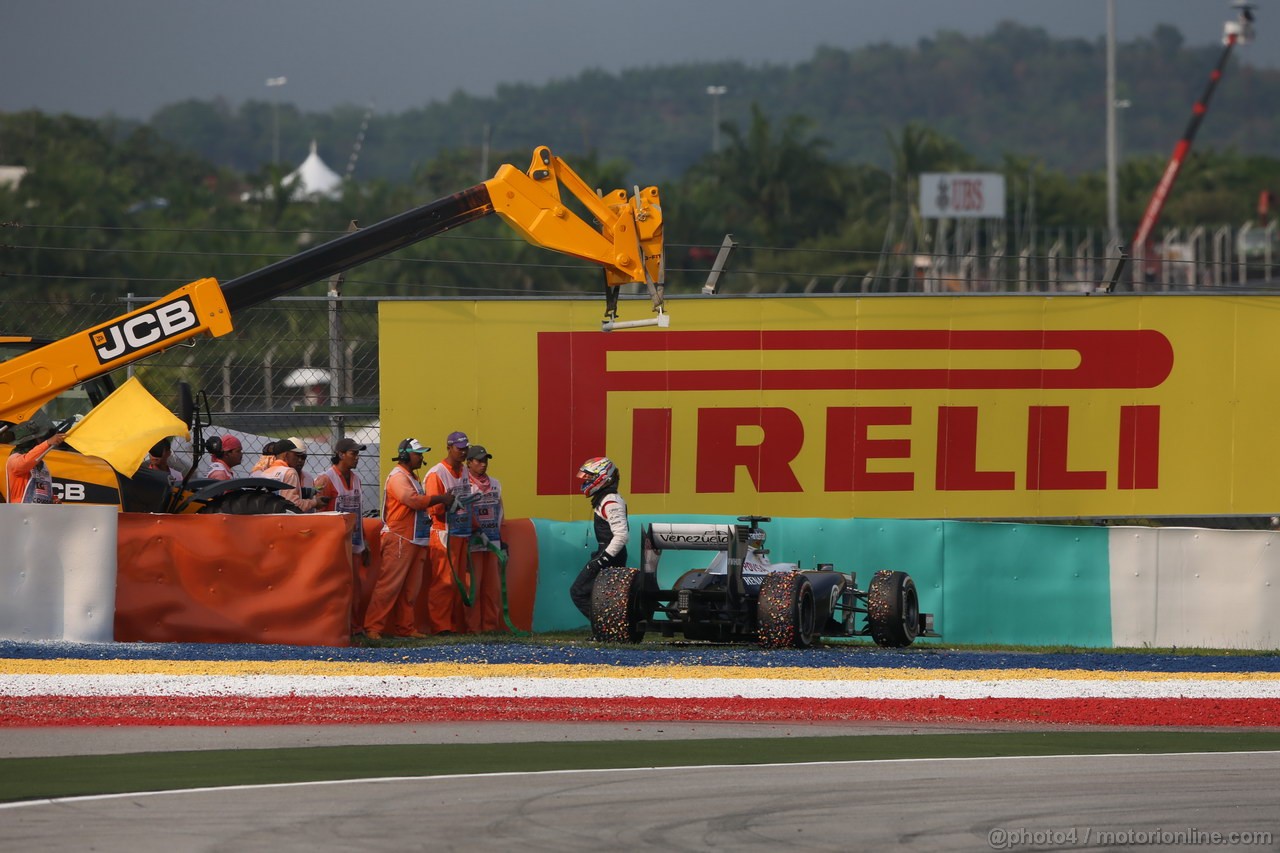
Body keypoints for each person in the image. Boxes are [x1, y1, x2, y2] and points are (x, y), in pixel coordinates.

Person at [363, 438, 454, 641]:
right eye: (418, 453)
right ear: (405, 455)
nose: (421, 457)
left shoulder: (410, 477)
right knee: (389, 586)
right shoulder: (398, 477)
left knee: (411, 589)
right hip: (400, 538)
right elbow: (411, 501)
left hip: (415, 538)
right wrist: (440, 498)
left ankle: (405, 627)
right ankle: (373, 627)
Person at [423, 431, 475, 635]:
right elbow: (433, 508)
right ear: (449, 448)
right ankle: (440, 626)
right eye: (459, 448)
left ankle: (453, 624)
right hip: (443, 532)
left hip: (460, 532)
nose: (462, 452)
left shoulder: (463, 471)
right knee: (443, 581)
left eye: (465, 448)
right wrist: (449, 504)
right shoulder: (437, 473)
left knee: (458, 582)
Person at [315, 437, 368, 633]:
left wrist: (365, 540)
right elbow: (319, 513)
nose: (357, 457)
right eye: (353, 453)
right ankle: (334, 626)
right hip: (334, 544)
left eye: (357, 453)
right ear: (340, 454)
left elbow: (359, 511)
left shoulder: (356, 479)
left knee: (355, 586)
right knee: (336, 585)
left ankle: (353, 626)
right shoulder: (325, 479)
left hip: (353, 541)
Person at [569, 456, 629, 624]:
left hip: (610, 554)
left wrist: (600, 560)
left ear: (603, 477)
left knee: (579, 591)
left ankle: (606, 628)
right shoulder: (605, 498)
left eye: (590, 476)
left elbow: (622, 535)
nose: (586, 480)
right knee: (602, 597)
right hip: (608, 552)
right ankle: (608, 629)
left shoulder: (611, 501)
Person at [462, 444, 505, 633]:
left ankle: (490, 627)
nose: (483, 464)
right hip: (473, 544)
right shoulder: (463, 484)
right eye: (479, 461)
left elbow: (501, 510)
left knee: (493, 588)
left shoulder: (495, 483)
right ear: (469, 463)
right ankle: (472, 628)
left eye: (485, 460)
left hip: (493, 542)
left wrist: (499, 536)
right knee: (474, 587)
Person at [261, 436, 330, 512]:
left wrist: (308, 492)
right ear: (286, 455)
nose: (299, 460)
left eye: (303, 457)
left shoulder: (265, 473)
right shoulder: (290, 472)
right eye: (296, 455)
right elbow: (293, 505)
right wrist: (315, 502)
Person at [5, 430, 67, 504]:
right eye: (39, 440)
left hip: (39, 513)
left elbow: (41, 491)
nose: (41, 442)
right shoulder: (14, 460)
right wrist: (47, 443)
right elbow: (26, 462)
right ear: (29, 442)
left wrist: (53, 500)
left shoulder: (42, 465)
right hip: (21, 513)